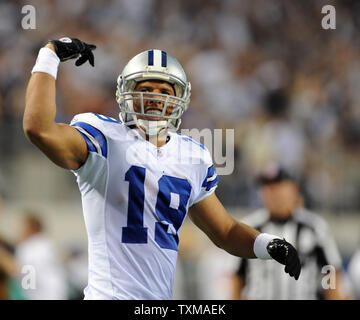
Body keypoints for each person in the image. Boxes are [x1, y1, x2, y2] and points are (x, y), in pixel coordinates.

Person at [23, 37, 301, 300]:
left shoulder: (192, 156)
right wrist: (50, 55)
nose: (155, 98)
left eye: (164, 92)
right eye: (145, 90)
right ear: (126, 95)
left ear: (180, 99)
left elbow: (225, 231)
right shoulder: (103, 137)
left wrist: (268, 245)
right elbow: (39, 129)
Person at [231, 164, 348, 300]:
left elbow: (331, 270)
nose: (271, 193)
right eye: (267, 188)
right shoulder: (249, 228)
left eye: (277, 187)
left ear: (293, 189)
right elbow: (236, 276)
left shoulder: (314, 227)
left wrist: (332, 294)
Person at [15, 212, 68, 300]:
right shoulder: (46, 243)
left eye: (21, 227)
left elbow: (28, 277)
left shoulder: (29, 247)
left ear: (30, 228)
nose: (17, 230)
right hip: (57, 292)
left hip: (42, 295)